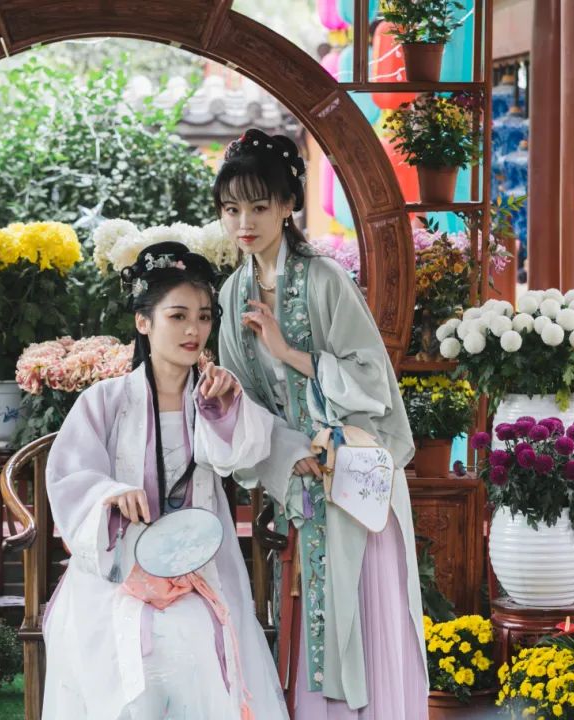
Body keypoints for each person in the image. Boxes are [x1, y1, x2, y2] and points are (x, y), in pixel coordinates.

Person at [215, 128, 428, 718]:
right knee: (312, 614)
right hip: (299, 477)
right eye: (231, 209)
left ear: (288, 205)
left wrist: (288, 352)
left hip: (354, 474)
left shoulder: (326, 280)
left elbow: (372, 380)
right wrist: (287, 454)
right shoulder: (232, 294)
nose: (244, 222)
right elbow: (243, 402)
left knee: (363, 610)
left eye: (259, 206)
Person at [41, 241, 290, 720]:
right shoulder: (105, 400)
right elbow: (71, 476)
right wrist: (112, 494)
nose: (193, 329)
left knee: (193, 638)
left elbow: (242, 458)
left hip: (200, 569)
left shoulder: (216, 392)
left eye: (203, 316)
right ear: (143, 321)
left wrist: (223, 409)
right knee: (128, 662)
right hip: (119, 571)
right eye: (177, 316)